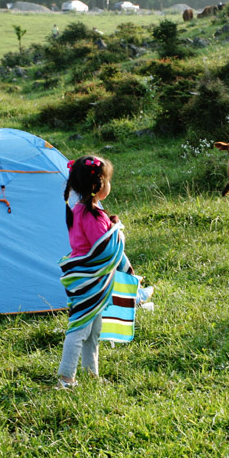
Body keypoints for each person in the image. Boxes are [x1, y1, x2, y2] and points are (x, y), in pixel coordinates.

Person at [56, 155, 151, 389]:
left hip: (88, 279)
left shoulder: (79, 209)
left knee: (93, 330)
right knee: (79, 330)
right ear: (98, 185)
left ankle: (91, 375)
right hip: (90, 279)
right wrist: (117, 232)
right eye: (108, 181)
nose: (110, 185)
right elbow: (106, 249)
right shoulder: (93, 215)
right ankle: (66, 378)